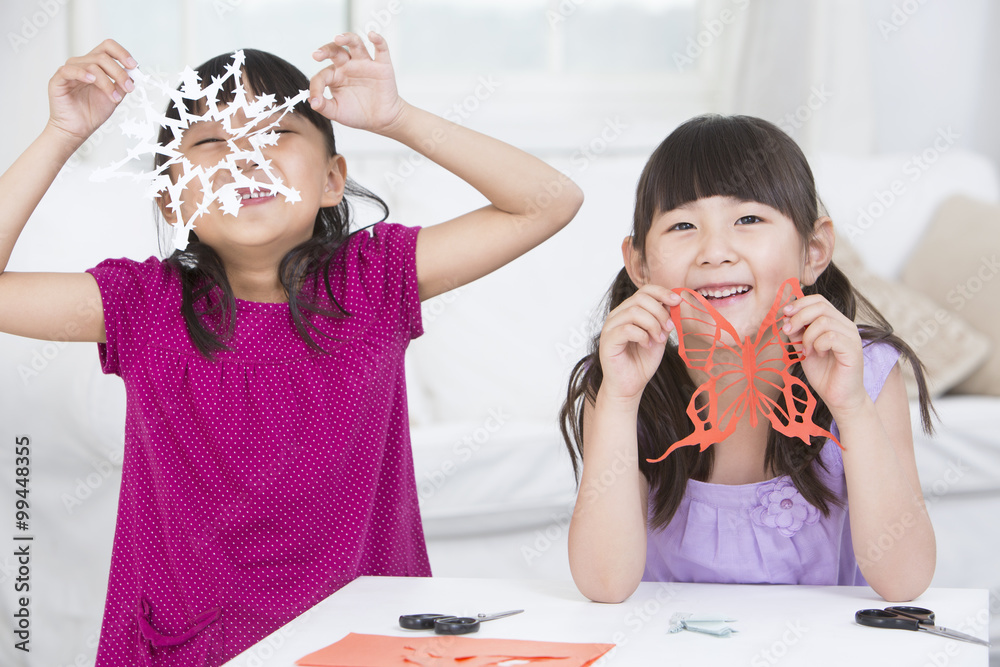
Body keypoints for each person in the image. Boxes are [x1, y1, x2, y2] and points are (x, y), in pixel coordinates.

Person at [0, 34, 582, 666]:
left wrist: (397, 118)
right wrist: (61, 133)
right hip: (185, 649)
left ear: (333, 180)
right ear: (172, 198)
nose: (244, 156)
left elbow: (551, 201)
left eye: (273, 133)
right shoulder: (143, 304)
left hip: (365, 644)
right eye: (212, 142)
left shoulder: (374, 278)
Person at [560, 114, 935, 605]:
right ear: (640, 264)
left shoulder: (866, 373)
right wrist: (619, 401)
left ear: (814, 249)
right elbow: (604, 585)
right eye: (683, 225)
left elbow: (905, 581)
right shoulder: (619, 383)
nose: (715, 252)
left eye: (749, 219)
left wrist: (852, 408)